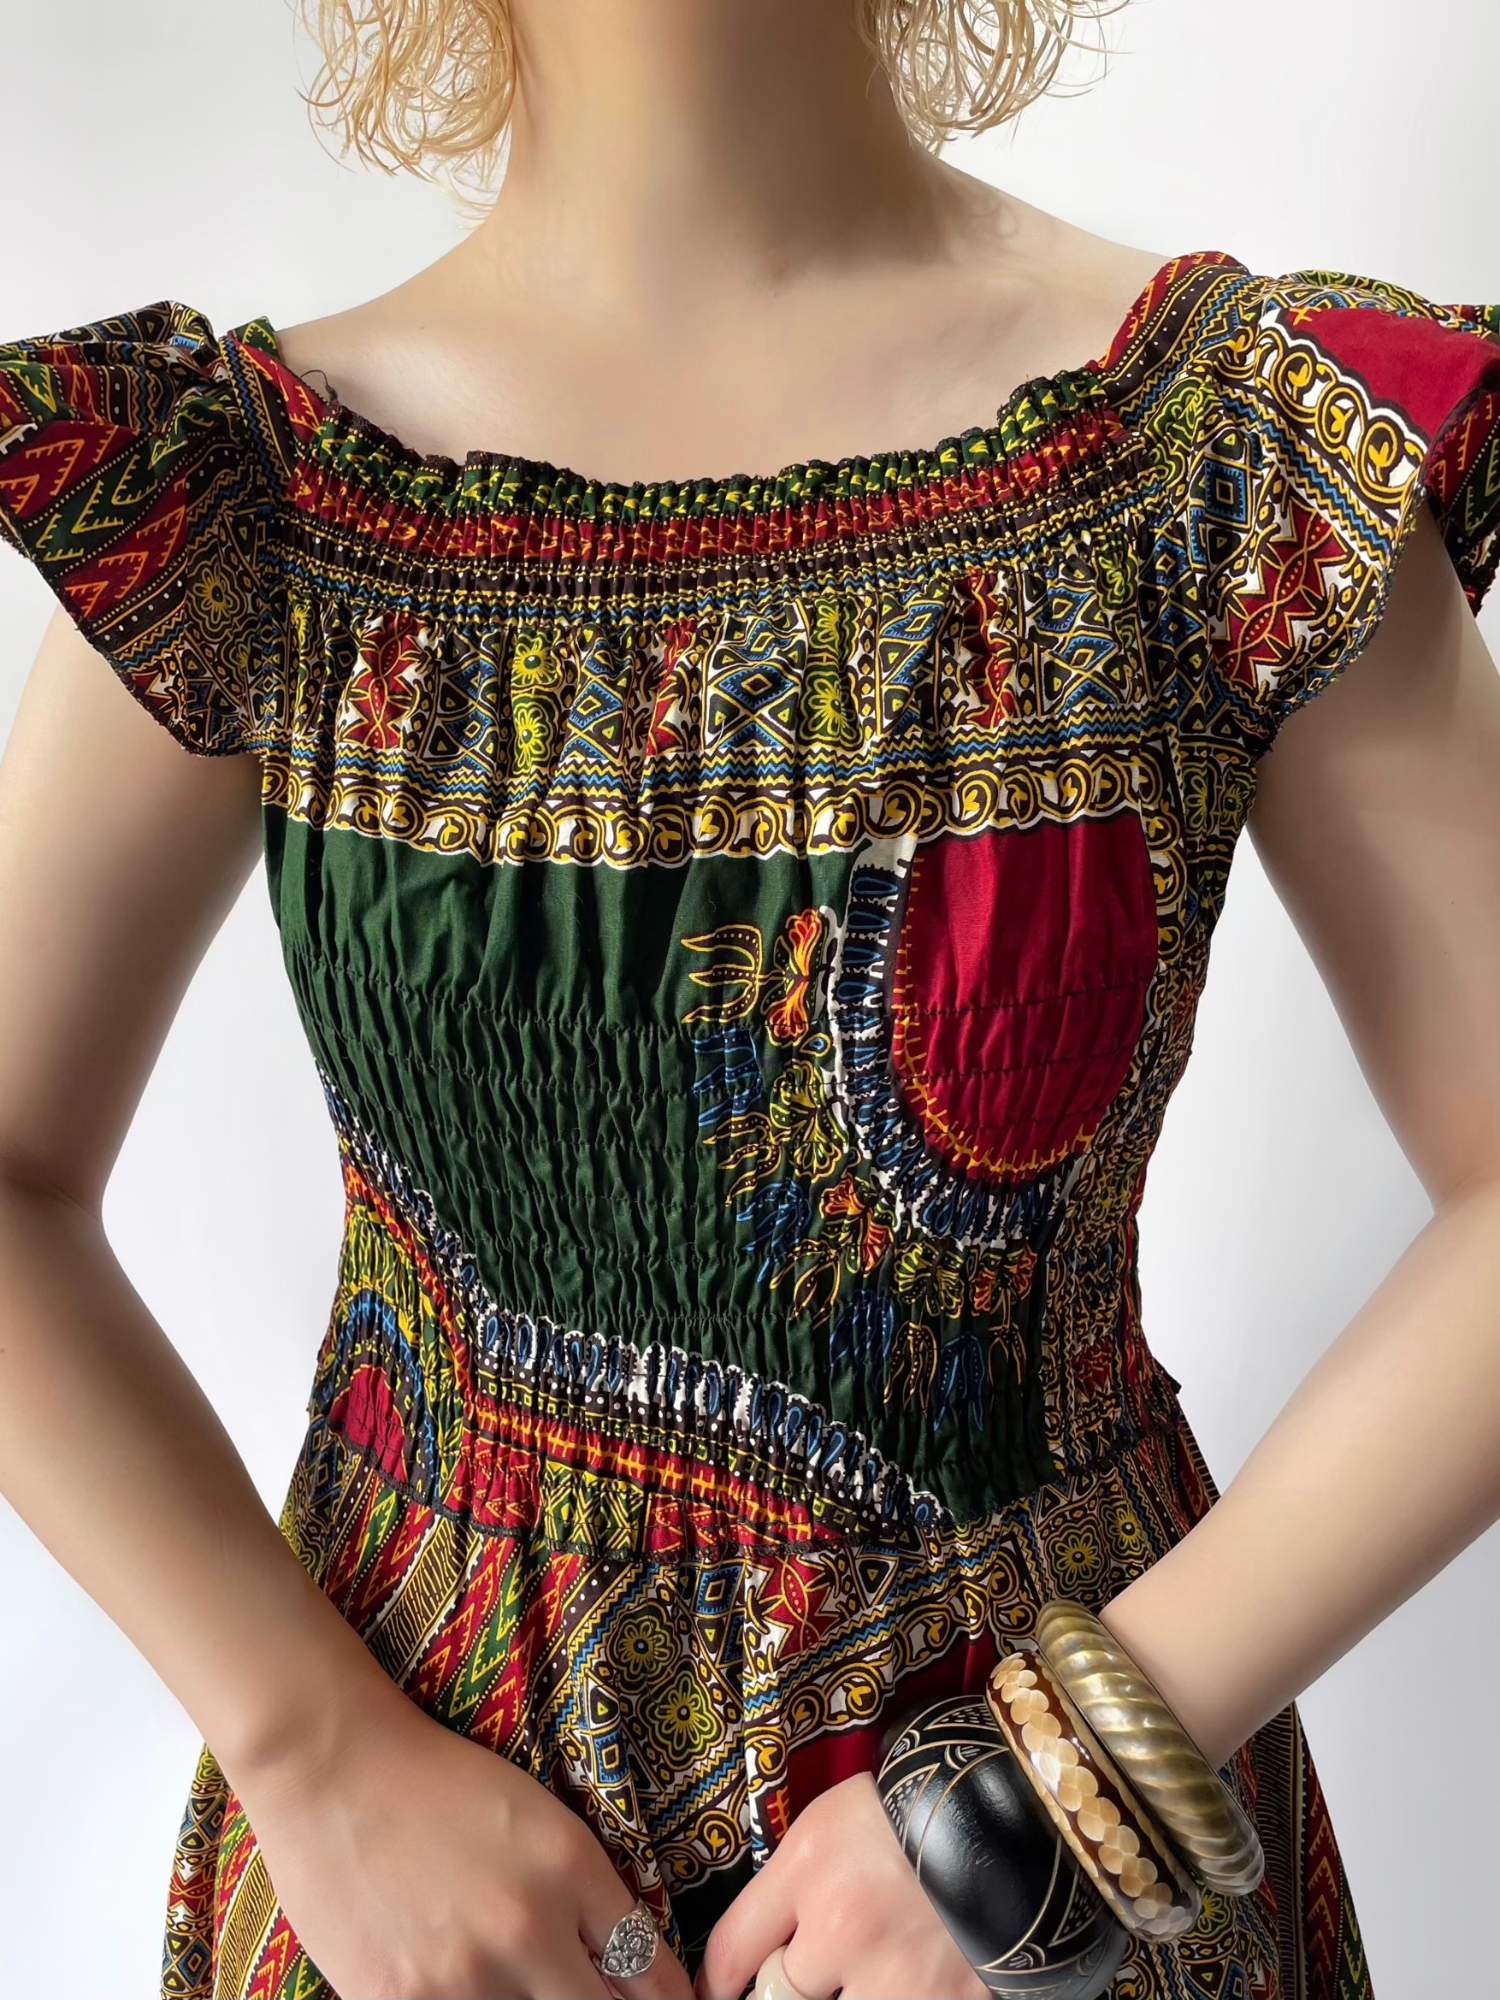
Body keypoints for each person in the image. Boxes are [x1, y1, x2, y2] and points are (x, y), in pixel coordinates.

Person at [1, 4, 1497, 1998]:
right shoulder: (257, 497)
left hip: (1060, 1912)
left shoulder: (1220, 454)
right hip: (416, 1910)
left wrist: (1048, 1803)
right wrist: (313, 1748)